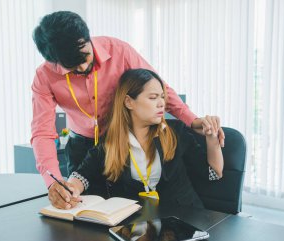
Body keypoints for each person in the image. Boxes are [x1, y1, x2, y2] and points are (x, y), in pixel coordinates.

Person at [31, 11, 225, 189]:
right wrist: (53, 182)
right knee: (83, 207)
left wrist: (191, 120)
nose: (82, 68)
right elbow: (42, 132)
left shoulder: (119, 51)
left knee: (124, 200)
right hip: (85, 148)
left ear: (87, 38)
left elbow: (156, 86)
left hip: (121, 140)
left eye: (85, 57)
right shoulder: (44, 76)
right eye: (72, 66)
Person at [48, 68, 223, 210]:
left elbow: (213, 174)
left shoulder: (176, 133)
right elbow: (83, 174)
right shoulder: (111, 142)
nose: (161, 103)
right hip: (137, 229)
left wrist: (212, 139)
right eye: (153, 98)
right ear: (129, 102)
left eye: (162, 97)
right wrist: (70, 188)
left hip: (184, 220)